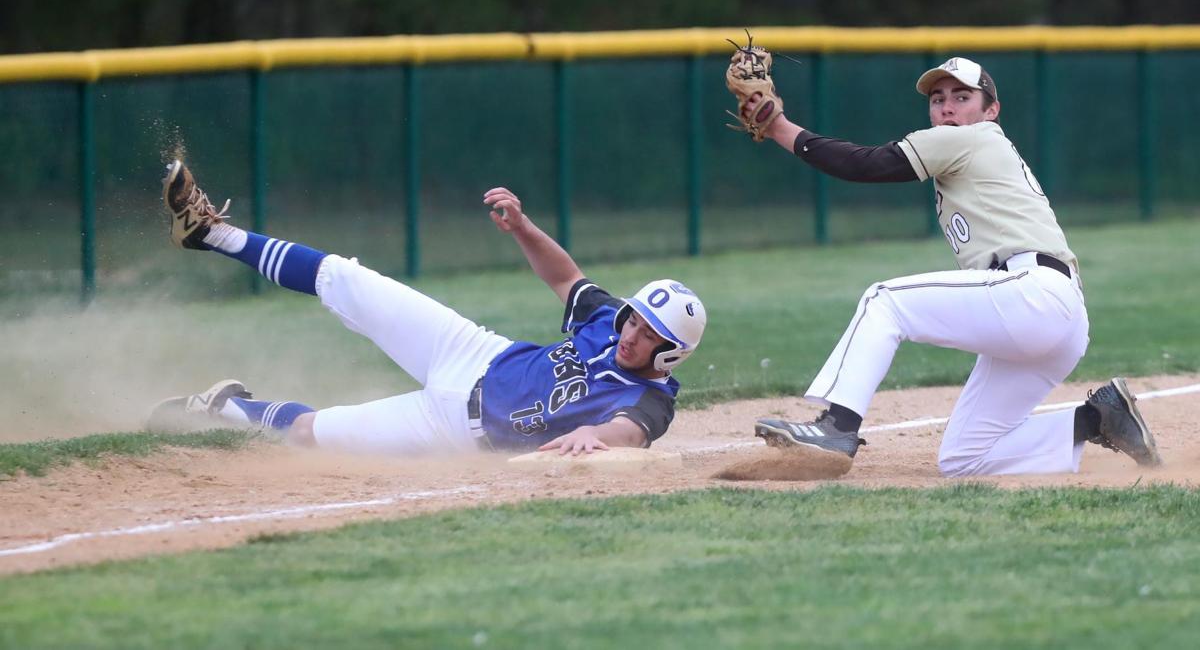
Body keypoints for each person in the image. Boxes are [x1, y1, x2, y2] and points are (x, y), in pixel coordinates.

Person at [731, 55, 1161, 475]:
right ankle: (1099, 419)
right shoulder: (976, 150)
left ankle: (836, 427)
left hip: (1032, 294)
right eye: (938, 99)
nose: (948, 107)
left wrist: (779, 128)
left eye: (962, 97)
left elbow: (865, 164)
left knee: (884, 302)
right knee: (964, 459)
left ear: (991, 111)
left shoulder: (972, 137)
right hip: (1055, 318)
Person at [149, 161, 706, 456]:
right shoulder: (609, 322)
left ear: (670, 355)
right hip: (475, 353)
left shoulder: (651, 400)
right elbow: (566, 277)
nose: (632, 331)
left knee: (308, 435)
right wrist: (524, 228)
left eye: (649, 333)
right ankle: (210, 234)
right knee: (343, 277)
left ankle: (219, 409)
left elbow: (631, 433)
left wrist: (598, 438)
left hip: (454, 431)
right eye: (635, 317)